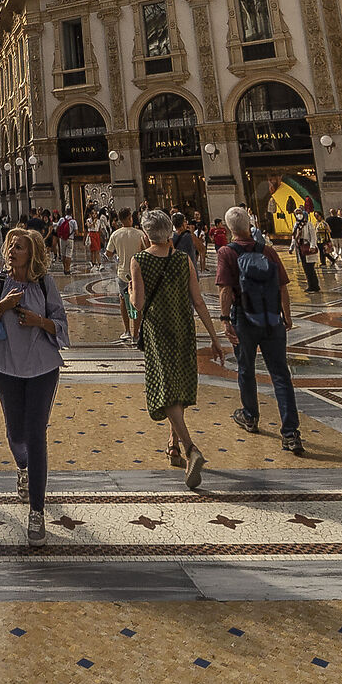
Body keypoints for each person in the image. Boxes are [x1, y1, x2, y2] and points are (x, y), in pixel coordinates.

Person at [0, 226, 69, 545]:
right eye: (11, 246)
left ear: (32, 254)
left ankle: (37, 511)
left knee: (36, 434)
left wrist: (37, 321)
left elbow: (61, 323)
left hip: (43, 368)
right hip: (5, 367)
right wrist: (1, 307)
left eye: (19, 247)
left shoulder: (45, 283)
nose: (12, 251)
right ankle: (23, 466)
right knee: (15, 432)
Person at [129, 209, 224, 487]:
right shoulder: (183, 260)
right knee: (178, 385)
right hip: (184, 329)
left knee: (165, 389)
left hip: (158, 331)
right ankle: (172, 446)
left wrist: (131, 290)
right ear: (170, 231)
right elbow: (199, 301)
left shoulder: (140, 260)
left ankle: (191, 448)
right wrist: (214, 338)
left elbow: (138, 304)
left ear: (145, 234)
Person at [217, 206, 303, 455]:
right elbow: (283, 286)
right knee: (281, 375)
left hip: (244, 319)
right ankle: (290, 434)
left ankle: (250, 416)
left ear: (229, 228)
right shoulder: (267, 251)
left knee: (246, 369)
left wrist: (224, 320)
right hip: (272, 320)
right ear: (250, 225)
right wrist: (286, 316)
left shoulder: (227, 253)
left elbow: (224, 289)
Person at [106, 208, 146, 337]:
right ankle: (137, 330)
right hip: (138, 273)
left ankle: (127, 330)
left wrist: (119, 253)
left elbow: (108, 253)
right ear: (130, 217)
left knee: (123, 300)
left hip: (123, 273)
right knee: (138, 301)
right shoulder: (140, 234)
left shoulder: (115, 234)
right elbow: (146, 251)